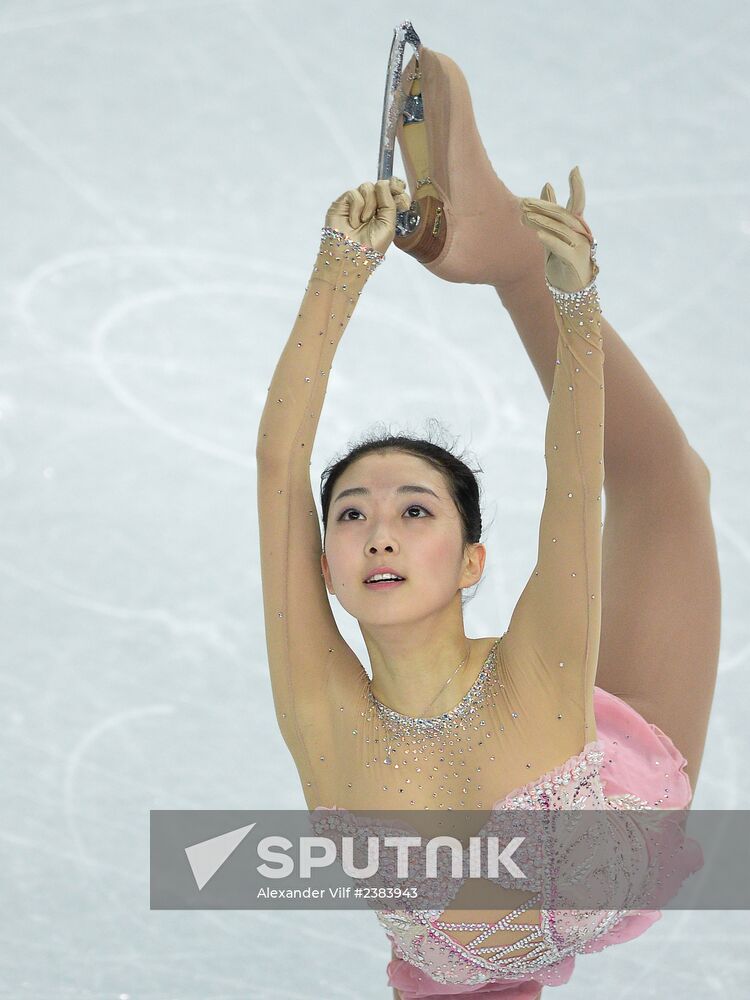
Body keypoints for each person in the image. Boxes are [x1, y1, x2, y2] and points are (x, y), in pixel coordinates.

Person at [255, 46, 720, 1000]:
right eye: (352, 513)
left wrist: (571, 298)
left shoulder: (536, 677)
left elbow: (575, 477)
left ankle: (509, 257)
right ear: (325, 564)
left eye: (414, 510)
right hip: (475, 968)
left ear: (472, 562)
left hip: (617, 814)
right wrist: (339, 269)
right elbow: (277, 469)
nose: (379, 533)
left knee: (663, 485)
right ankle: (504, 251)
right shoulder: (322, 713)